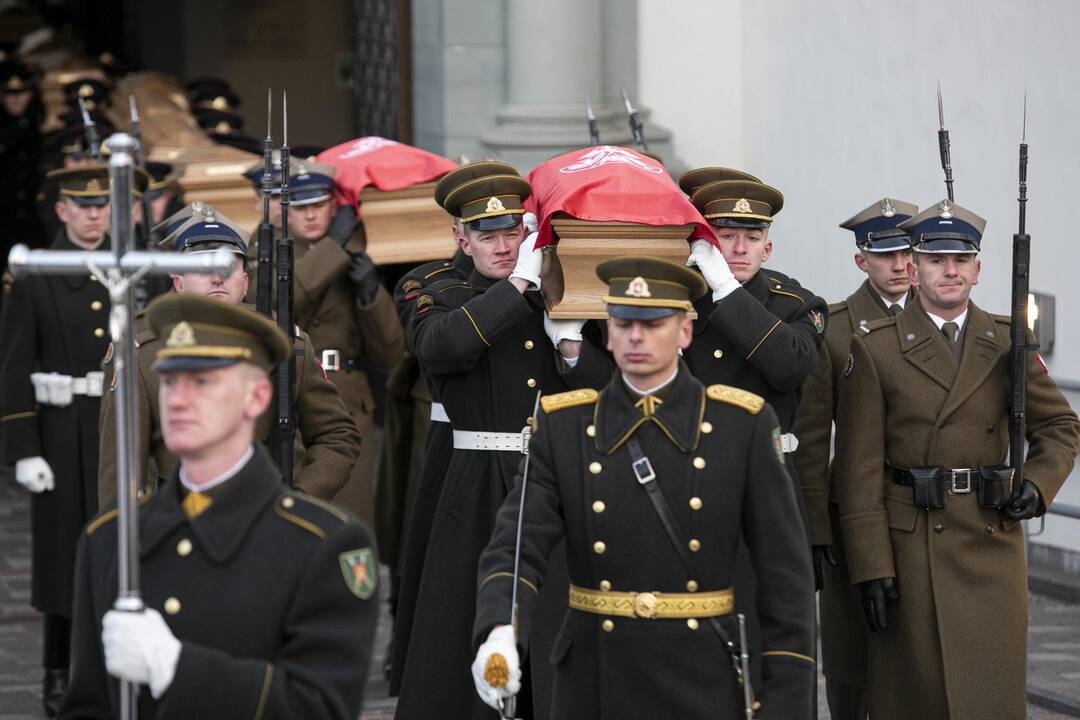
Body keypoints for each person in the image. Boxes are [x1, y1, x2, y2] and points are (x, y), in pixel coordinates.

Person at [471, 256, 816, 719]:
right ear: (608, 333)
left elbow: (784, 579)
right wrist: (499, 629)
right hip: (596, 677)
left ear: (685, 332)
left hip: (703, 676)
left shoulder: (741, 426)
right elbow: (517, 543)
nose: (637, 336)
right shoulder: (564, 425)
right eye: (624, 322)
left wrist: (785, 699)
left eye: (654, 323)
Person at [60, 293, 378, 719]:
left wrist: (176, 667)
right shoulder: (110, 539)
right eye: (170, 380)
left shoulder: (325, 546)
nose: (177, 398)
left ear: (257, 398)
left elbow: (320, 707)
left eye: (204, 381)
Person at [835, 200, 1080, 720]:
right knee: (916, 701)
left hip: (989, 540)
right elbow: (858, 470)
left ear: (978, 269)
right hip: (912, 550)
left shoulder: (1006, 341)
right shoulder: (875, 347)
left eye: (960, 260)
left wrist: (1035, 486)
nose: (950, 271)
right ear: (916, 267)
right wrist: (869, 566)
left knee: (988, 699)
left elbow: (1060, 427)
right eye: (936, 259)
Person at [394, 162, 612, 719]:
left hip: (554, 477)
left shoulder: (561, 294)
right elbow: (442, 346)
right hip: (476, 479)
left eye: (511, 234)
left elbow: (612, 390)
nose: (500, 246)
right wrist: (519, 288)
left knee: (555, 621)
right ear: (460, 239)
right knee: (467, 624)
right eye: (485, 236)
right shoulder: (431, 287)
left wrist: (570, 347)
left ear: (529, 231)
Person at [97, 205, 361, 505]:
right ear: (178, 280)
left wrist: (300, 498)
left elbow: (337, 434)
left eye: (227, 267)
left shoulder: (285, 341)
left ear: (245, 281)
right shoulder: (142, 351)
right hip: (184, 517)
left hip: (270, 511)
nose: (216, 278)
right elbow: (123, 463)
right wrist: (138, 537)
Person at [0, 164, 142, 717]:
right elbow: (13, 367)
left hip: (116, 425)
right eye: (82, 206)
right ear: (60, 210)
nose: (93, 214)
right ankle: (58, 672)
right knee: (62, 559)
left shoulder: (131, 268)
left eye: (102, 205)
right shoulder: (35, 273)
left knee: (120, 549)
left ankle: (117, 666)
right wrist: (23, 448)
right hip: (60, 434)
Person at [680, 169, 827, 688]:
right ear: (703, 239)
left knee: (774, 631)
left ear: (769, 246)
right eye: (725, 235)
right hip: (691, 482)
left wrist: (724, 290)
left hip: (770, 484)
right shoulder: (676, 302)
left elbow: (788, 366)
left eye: (752, 236)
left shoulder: (796, 304)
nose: (738, 247)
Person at [791, 197, 917, 720]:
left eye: (908, 252)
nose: (900, 265)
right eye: (885, 254)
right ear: (861, 260)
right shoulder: (837, 329)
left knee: (917, 657)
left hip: (919, 508)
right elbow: (813, 438)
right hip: (853, 516)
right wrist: (817, 533)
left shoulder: (937, 320)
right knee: (854, 665)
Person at [283, 159, 404, 526]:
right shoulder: (266, 255)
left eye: (317, 205)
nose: (309, 216)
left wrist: (372, 295)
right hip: (289, 391)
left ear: (334, 207)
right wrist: (334, 246)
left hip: (348, 396)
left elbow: (391, 353)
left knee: (349, 516)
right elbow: (284, 300)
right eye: (300, 207)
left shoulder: (360, 254)